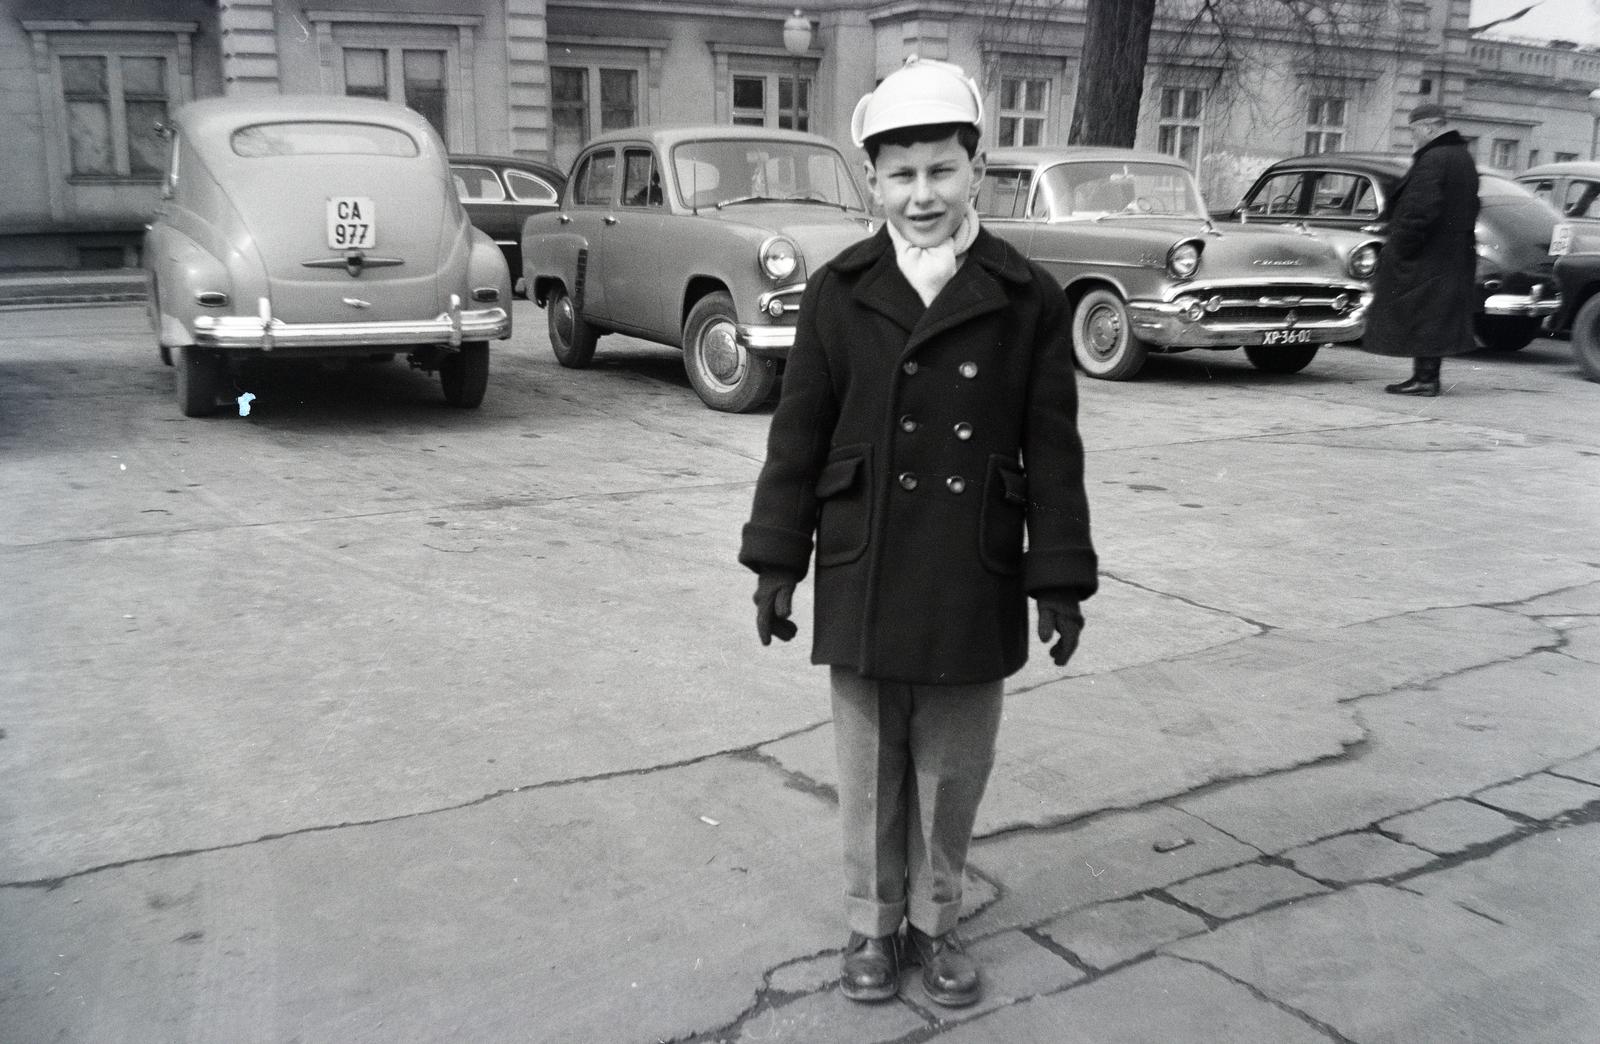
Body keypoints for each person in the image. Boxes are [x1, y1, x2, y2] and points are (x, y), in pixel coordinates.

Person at [737, 56, 1098, 1008]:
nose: (923, 194)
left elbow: (1052, 446)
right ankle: (872, 920)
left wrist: (1059, 578)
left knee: (951, 767)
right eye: (901, 174)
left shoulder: (1026, 295)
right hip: (865, 556)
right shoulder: (839, 288)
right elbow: (799, 435)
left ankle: (935, 924)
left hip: (974, 559)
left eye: (942, 170)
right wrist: (776, 560)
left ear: (977, 168)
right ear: (872, 180)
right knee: (867, 766)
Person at [1361, 102, 1481, 396]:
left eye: (1413, 130)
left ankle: (1425, 379)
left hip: (1428, 253)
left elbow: (1419, 210)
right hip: (1454, 253)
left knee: (1422, 312)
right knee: (1434, 315)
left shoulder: (1433, 159)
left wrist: (1400, 248)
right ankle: (1426, 376)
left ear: (1428, 127)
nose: (1412, 136)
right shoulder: (1463, 157)